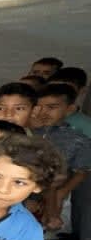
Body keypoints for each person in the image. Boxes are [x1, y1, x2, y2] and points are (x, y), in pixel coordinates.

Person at [32, 83, 91, 231]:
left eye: (52, 107)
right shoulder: (26, 132)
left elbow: (82, 171)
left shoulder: (78, 140)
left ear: (69, 109)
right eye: (39, 107)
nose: (44, 112)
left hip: (56, 196)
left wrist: (61, 193)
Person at [48, 67, 91, 137]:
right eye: (50, 89)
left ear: (82, 90)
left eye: (65, 90)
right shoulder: (35, 118)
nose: (55, 95)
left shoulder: (86, 125)